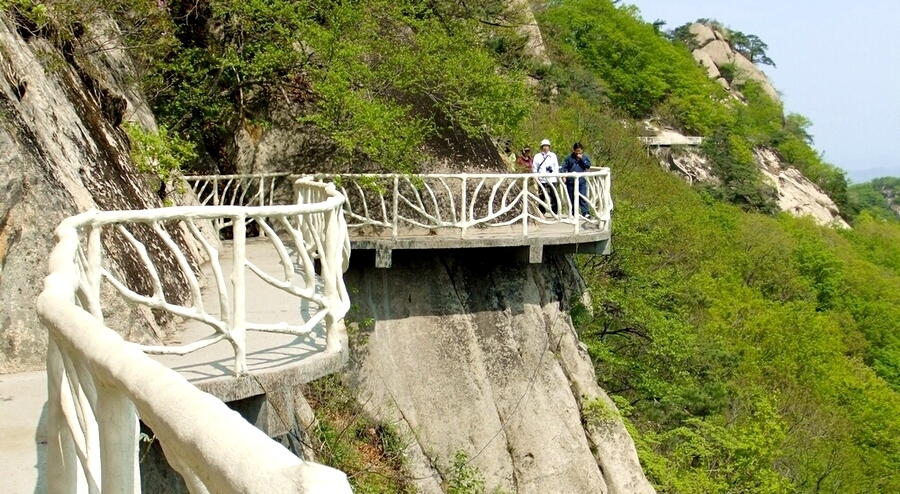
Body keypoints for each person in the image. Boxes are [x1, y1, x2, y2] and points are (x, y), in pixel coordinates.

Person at [562, 142, 592, 218]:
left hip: (581, 181)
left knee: (582, 197)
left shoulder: (585, 157)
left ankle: (585, 213)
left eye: (579, 150)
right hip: (571, 181)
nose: (578, 152)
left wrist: (581, 159)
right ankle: (572, 213)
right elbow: (564, 167)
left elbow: (588, 165)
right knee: (571, 198)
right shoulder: (569, 158)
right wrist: (563, 176)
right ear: (574, 150)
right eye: (577, 151)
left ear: (582, 150)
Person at [532, 139, 559, 214]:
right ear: (541, 147)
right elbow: (534, 167)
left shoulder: (553, 156)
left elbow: (556, 166)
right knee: (542, 195)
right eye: (544, 146)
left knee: (554, 195)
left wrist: (556, 176)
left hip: (552, 178)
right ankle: (542, 211)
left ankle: (555, 211)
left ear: (549, 147)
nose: (545, 148)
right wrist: (535, 177)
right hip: (542, 179)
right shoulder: (537, 156)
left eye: (547, 146)